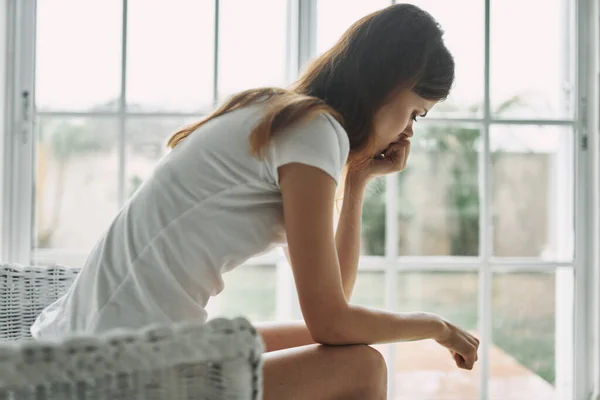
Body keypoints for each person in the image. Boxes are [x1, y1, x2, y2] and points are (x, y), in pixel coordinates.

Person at [32, 4, 479, 399]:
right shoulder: (313, 130)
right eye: (416, 112)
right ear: (389, 83)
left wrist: (358, 179)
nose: (409, 133)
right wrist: (433, 326)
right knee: (362, 366)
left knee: (335, 344)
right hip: (121, 371)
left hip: (95, 346)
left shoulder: (281, 115)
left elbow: (333, 301)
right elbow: (332, 320)